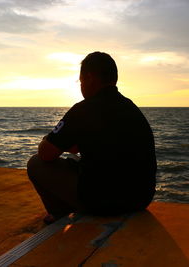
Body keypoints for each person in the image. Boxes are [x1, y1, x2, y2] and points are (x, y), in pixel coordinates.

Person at [27, 51, 157, 224]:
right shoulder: (132, 109)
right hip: (140, 199)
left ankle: (59, 213)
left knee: (35, 163)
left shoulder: (83, 109)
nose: (80, 87)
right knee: (77, 159)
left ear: (89, 78)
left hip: (101, 202)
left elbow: (46, 153)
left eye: (80, 82)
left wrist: (51, 140)